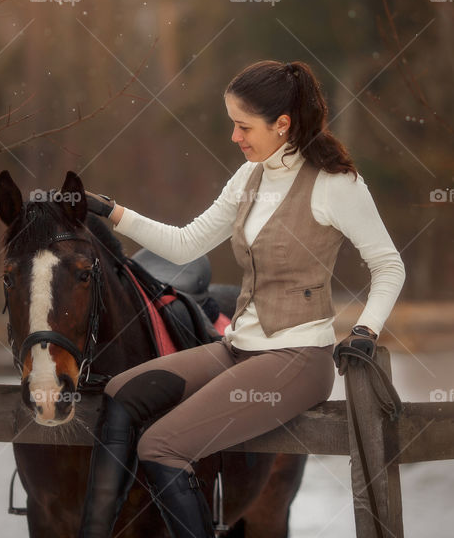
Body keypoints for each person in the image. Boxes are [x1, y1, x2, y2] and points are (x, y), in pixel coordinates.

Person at [77, 59, 406, 538]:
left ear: (283, 124)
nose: (235, 137)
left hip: (296, 358)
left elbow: (389, 265)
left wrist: (365, 330)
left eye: (242, 126)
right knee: (120, 395)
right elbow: (187, 242)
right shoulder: (248, 178)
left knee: (162, 445)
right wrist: (110, 210)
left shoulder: (336, 185)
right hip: (238, 349)